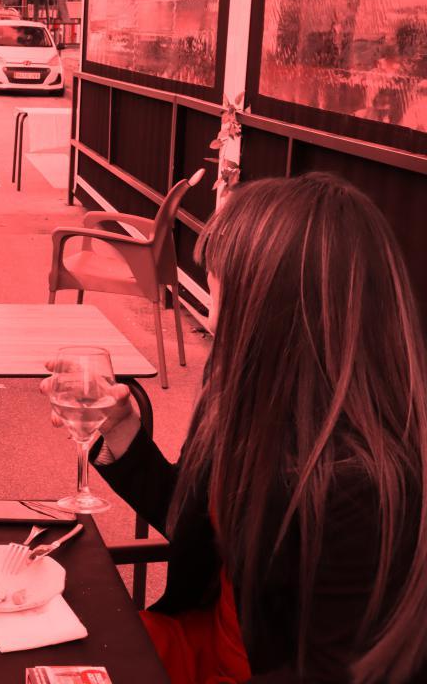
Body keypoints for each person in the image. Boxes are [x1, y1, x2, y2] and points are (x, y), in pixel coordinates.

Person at [44, 174, 427, 683]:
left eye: (219, 284)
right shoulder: (245, 401)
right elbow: (196, 524)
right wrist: (123, 431)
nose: (208, 305)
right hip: (200, 641)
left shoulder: (359, 485)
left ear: (272, 309)